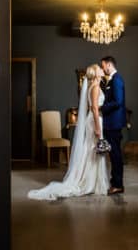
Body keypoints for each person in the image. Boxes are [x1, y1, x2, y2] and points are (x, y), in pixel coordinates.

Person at [27, 64, 110, 200]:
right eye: (99, 69)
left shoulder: (94, 87)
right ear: (95, 74)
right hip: (95, 121)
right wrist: (98, 127)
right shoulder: (95, 88)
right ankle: (88, 182)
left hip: (94, 120)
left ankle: (93, 182)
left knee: (92, 150)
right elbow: (94, 109)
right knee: (92, 150)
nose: (102, 69)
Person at [99, 56, 126, 195]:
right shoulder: (112, 80)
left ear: (109, 65)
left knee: (115, 155)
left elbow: (118, 102)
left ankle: (118, 185)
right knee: (114, 154)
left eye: (103, 66)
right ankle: (115, 182)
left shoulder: (116, 80)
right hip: (112, 123)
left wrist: (101, 108)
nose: (102, 68)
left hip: (114, 124)